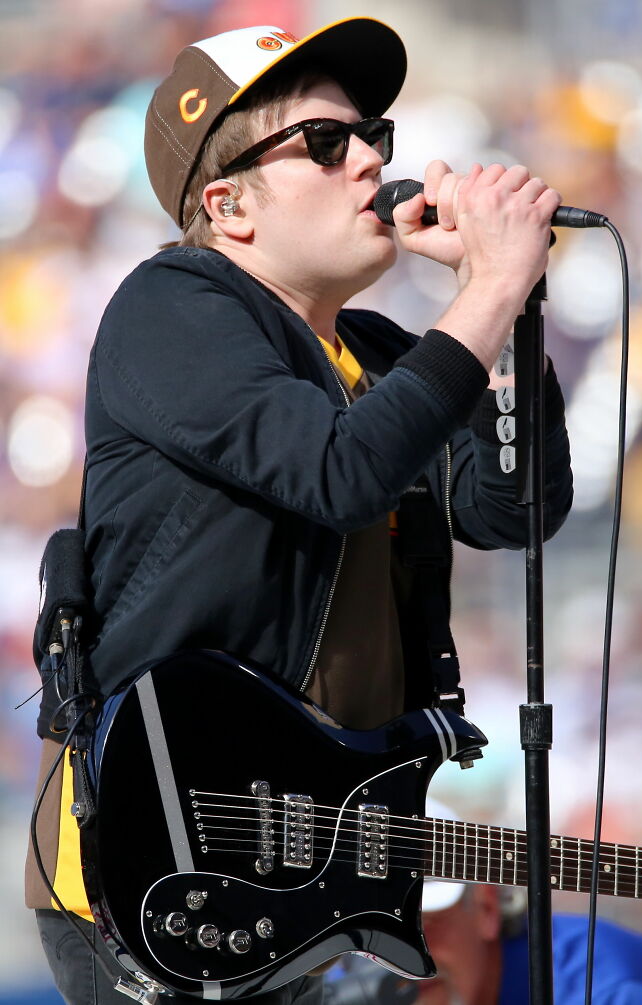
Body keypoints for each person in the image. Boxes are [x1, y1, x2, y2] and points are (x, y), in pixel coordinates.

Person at [25, 16, 573, 1005]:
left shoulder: (378, 352)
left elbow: (509, 511)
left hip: (299, 855)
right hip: (156, 856)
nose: (369, 159)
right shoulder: (170, 307)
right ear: (228, 204)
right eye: (325, 142)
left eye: (373, 135)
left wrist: (502, 315)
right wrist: (487, 289)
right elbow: (340, 472)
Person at [325, 878, 642, 1005]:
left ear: (486, 907)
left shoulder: (607, 989)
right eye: (369, 934)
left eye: (419, 927)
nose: (393, 960)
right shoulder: (343, 986)